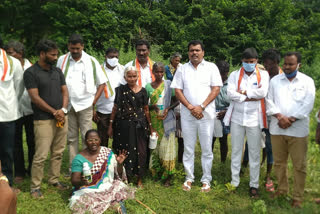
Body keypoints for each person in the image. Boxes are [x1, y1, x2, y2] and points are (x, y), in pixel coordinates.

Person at [171, 40, 222, 192]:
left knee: (207, 148)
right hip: (188, 114)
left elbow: (216, 89)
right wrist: (190, 107)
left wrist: (202, 106)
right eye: (192, 50)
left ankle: (206, 180)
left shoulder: (211, 67)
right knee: (188, 147)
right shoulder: (182, 69)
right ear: (188, 53)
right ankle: (189, 178)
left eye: (197, 50)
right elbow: (178, 91)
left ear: (203, 52)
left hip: (206, 114)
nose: (194, 53)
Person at [266, 51, 315, 208]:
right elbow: (269, 101)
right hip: (278, 128)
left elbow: (308, 104)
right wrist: (281, 117)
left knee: (299, 165)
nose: (287, 67)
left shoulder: (307, 82)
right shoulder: (275, 81)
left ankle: (297, 197)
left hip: (298, 130)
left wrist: (291, 119)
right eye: (285, 64)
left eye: (290, 64)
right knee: (279, 163)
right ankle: (282, 190)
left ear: (298, 65)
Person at [24, 39, 69, 198]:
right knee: (41, 155)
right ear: (42, 54)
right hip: (43, 119)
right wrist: (53, 112)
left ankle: (53, 180)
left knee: (58, 152)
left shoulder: (57, 71)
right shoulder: (31, 73)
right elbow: (35, 98)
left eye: (57, 54)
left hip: (61, 117)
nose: (56, 57)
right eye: (53, 54)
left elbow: (65, 92)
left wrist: (62, 110)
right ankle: (35, 187)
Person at [56, 34, 107, 174]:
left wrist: (93, 102)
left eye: (77, 48)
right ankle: (74, 168)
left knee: (87, 136)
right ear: (68, 47)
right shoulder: (62, 60)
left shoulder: (91, 61)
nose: (75, 51)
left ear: (82, 46)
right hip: (68, 104)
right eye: (72, 48)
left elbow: (102, 83)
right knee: (71, 137)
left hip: (85, 104)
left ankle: (88, 165)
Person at [223, 48, 269, 198]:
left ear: (257, 61)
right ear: (242, 61)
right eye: (246, 62)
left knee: (255, 152)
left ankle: (254, 185)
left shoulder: (263, 74)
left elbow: (262, 93)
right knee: (236, 150)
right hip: (237, 117)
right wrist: (248, 95)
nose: (249, 64)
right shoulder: (235, 75)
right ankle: (234, 181)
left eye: (252, 62)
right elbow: (230, 94)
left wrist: (242, 93)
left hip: (254, 119)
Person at [108, 66, 154, 188]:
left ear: (137, 77)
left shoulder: (143, 91)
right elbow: (115, 108)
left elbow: (146, 110)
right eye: (129, 76)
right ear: (125, 77)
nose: (132, 79)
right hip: (123, 127)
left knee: (141, 151)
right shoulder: (120, 90)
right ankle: (125, 176)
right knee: (124, 150)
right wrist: (110, 125)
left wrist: (150, 127)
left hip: (139, 126)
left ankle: (139, 178)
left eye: (134, 76)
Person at [70, 129, 134, 214]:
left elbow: (118, 175)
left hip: (106, 186)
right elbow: (74, 181)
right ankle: (114, 204)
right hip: (88, 189)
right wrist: (82, 181)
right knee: (80, 201)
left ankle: (115, 206)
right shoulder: (79, 158)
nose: (93, 142)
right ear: (85, 142)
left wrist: (119, 164)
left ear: (100, 140)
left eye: (96, 140)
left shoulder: (107, 153)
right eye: (90, 140)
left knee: (119, 186)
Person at [5, 40, 35, 184]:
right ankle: (19, 171)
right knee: (16, 142)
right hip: (14, 110)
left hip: (31, 109)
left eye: (10, 53)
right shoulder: (6, 67)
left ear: (20, 53)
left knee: (32, 141)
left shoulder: (32, 67)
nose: (7, 55)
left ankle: (32, 168)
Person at [146, 62, 178, 186]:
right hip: (154, 120)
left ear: (164, 73)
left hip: (167, 119)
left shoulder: (169, 85)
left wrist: (168, 109)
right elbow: (145, 106)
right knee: (155, 146)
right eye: (157, 72)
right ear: (153, 72)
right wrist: (151, 106)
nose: (159, 74)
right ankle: (156, 172)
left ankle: (168, 176)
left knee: (167, 147)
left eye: (161, 72)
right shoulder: (148, 87)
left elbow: (177, 101)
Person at [0, 36, 24, 188]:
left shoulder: (13, 63)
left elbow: (19, 87)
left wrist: (10, 102)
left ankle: (7, 181)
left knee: (7, 150)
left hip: (7, 113)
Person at [260, 48, 283, 192]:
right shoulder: (263, 75)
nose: (266, 67)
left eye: (268, 64)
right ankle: (250, 165)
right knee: (254, 142)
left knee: (270, 145)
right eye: (265, 64)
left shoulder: (282, 77)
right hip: (259, 114)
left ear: (275, 62)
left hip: (274, 116)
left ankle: (268, 176)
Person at [93, 48, 124, 147]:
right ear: (105, 57)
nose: (114, 59)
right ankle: (103, 160)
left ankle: (117, 160)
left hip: (119, 110)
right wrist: (92, 109)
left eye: (116, 57)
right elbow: (92, 90)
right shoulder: (98, 70)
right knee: (103, 139)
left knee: (120, 138)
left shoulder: (122, 69)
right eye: (111, 57)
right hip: (103, 110)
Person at [165, 52, 184, 163]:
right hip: (170, 97)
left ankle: (180, 159)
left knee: (181, 135)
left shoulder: (182, 68)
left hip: (179, 100)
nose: (177, 62)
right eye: (176, 60)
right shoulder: (166, 68)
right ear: (171, 59)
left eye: (178, 60)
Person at [211, 60, 231, 163]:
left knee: (223, 140)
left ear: (227, 73)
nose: (221, 76)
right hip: (212, 113)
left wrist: (226, 111)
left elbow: (234, 101)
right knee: (211, 139)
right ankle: (209, 160)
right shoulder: (212, 83)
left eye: (223, 74)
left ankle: (223, 162)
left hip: (226, 114)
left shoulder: (231, 85)